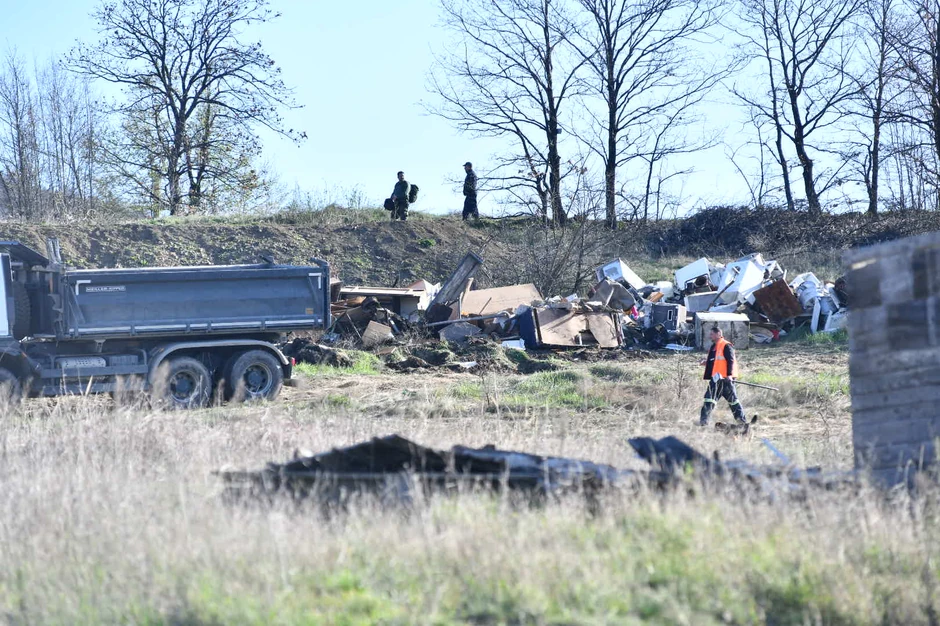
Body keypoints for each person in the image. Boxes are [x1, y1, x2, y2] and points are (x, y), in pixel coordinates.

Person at [699, 327, 748, 427]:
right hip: (716, 379)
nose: (710, 336)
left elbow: (730, 361)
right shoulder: (714, 347)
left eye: (712, 334)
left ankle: (742, 423)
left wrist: (729, 375)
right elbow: (716, 362)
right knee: (709, 399)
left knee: (733, 401)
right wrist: (706, 363)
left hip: (726, 379)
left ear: (718, 334)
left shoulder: (726, 345)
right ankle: (703, 423)